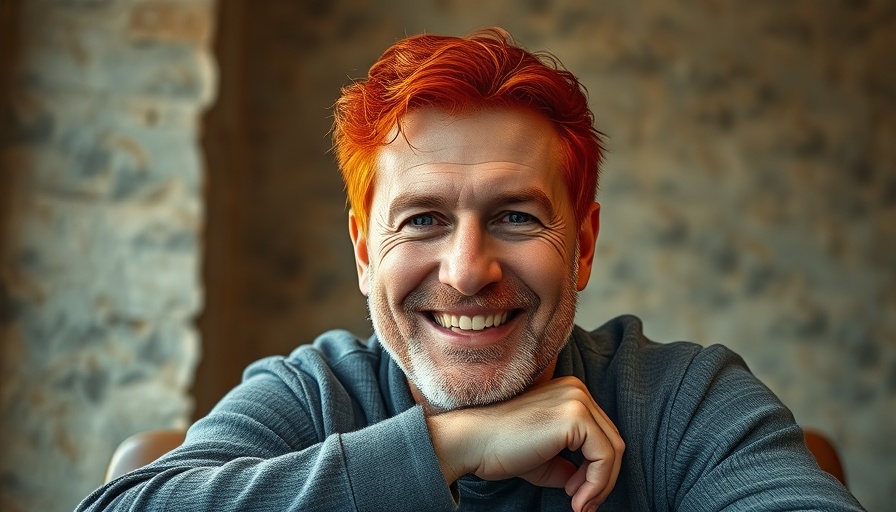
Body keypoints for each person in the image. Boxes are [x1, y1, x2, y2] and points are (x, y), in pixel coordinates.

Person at [77, 28, 864, 512]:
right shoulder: (312, 397)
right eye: (423, 220)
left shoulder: (687, 404)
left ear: (583, 245)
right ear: (362, 252)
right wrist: (451, 446)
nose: (467, 270)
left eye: (516, 217)